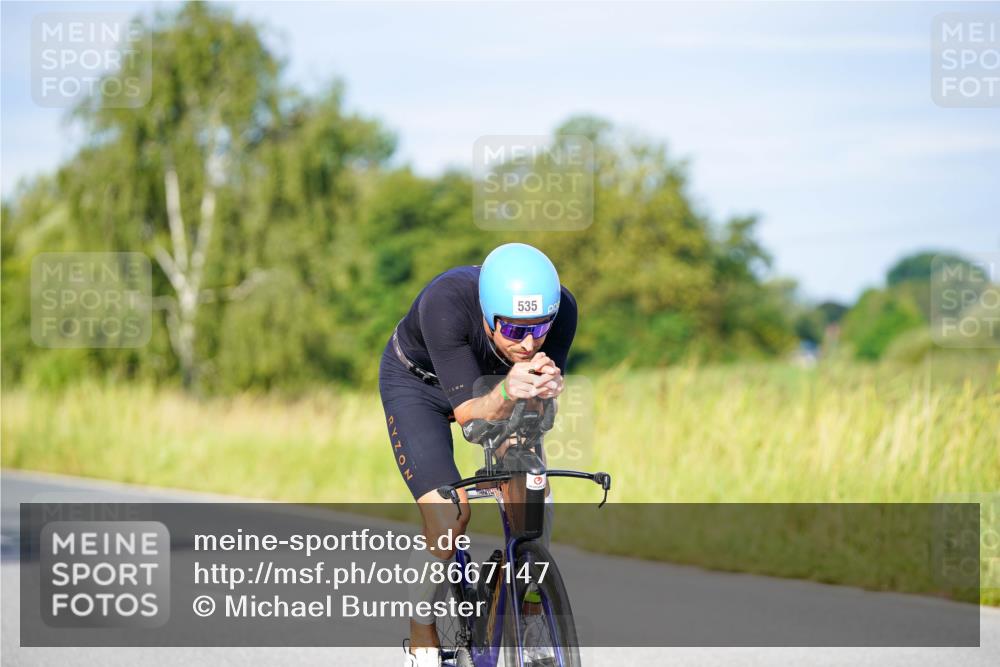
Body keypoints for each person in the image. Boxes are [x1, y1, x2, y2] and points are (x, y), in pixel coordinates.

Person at [378, 243, 577, 667]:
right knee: (450, 517)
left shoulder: (564, 311)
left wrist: (544, 397)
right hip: (421, 388)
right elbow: (471, 419)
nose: (528, 343)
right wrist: (508, 389)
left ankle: (527, 607)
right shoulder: (444, 302)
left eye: (539, 328)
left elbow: (538, 417)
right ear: (487, 315)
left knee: (532, 489)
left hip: (497, 386)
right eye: (513, 330)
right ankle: (421, 632)